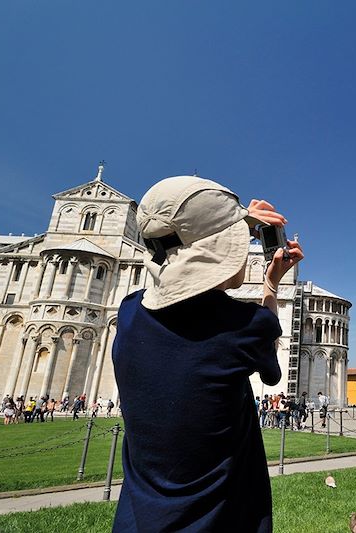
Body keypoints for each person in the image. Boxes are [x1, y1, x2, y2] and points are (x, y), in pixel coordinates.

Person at [112, 176, 303, 532]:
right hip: (219, 519)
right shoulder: (242, 326)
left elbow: (176, 256)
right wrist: (270, 284)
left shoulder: (129, 314)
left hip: (138, 521)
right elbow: (271, 372)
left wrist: (234, 222)